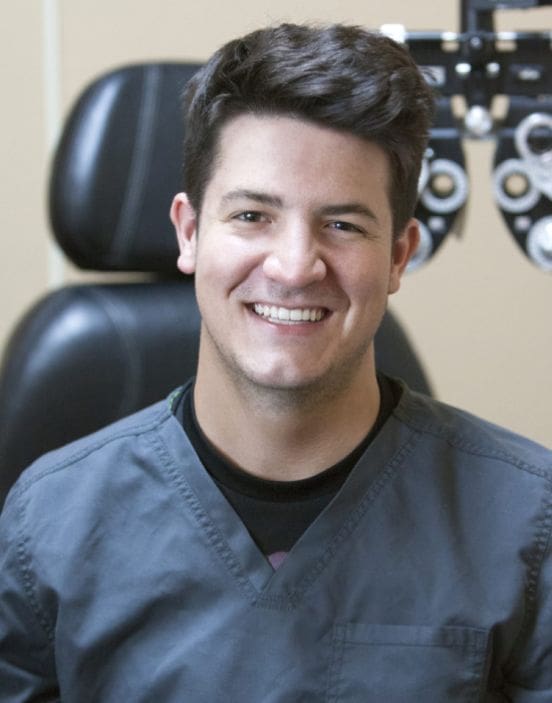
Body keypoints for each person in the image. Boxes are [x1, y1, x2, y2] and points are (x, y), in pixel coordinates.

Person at [0, 22, 551, 702]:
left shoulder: (528, 523)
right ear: (191, 231)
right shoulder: (47, 527)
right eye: (254, 216)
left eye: (343, 224)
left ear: (399, 256)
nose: (294, 266)